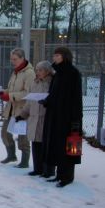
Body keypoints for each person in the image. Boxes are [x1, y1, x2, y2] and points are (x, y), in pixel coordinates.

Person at [40, 46, 82, 187]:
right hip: (55, 115)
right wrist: (47, 101)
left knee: (67, 146)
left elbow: (75, 97)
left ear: (65, 56)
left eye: (57, 56)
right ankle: (59, 174)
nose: (55, 58)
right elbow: (54, 94)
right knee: (57, 145)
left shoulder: (72, 73)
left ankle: (67, 177)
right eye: (54, 55)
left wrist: (75, 118)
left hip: (67, 116)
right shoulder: (57, 73)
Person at [0, 48, 35, 167]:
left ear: (22, 58)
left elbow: (27, 93)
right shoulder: (15, 72)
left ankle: (24, 161)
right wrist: (3, 92)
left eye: (15, 59)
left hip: (22, 109)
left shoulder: (29, 73)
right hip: (11, 108)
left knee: (23, 136)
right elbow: (12, 89)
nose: (12, 61)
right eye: (11, 59)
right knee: (5, 133)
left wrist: (9, 96)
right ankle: (11, 155)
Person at [16, 60, 53, 176]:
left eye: (40, 70)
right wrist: (22, 114)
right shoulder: (34, 83)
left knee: (46, 145)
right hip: (34, 118)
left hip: (45, 117)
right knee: (36, 144)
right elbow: (29, 101)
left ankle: (49, 169)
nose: (37, 72)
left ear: (47, 71)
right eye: (37, 70)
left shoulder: (51, 82)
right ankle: (38, 168)